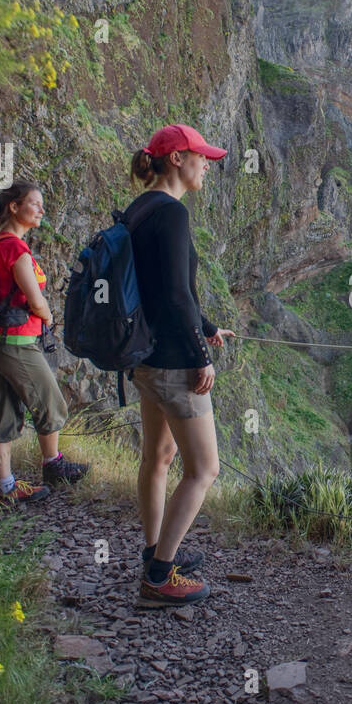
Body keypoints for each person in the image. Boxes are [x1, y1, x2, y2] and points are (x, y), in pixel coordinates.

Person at [124, 125, 234, 607]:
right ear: (176, 160)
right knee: (205, 468)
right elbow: (173, 295)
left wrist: (206, 325)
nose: (205, 165)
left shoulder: (140, 209)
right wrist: (200, 353)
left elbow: (169, 290)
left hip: (145, 358)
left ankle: (154, 549)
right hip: (172, 362)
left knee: (159, 459)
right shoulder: (172, 214)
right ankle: (159, 577)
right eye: (200, 157)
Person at [0, 182, 88, 502]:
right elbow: (34, 298)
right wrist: (48, 316)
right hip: (16, 342)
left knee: (3, 414)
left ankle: (6, 488)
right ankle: (53, 465)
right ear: (14, 207)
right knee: (52, 404)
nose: (41, 210)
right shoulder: (15, 248)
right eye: (34, 204)